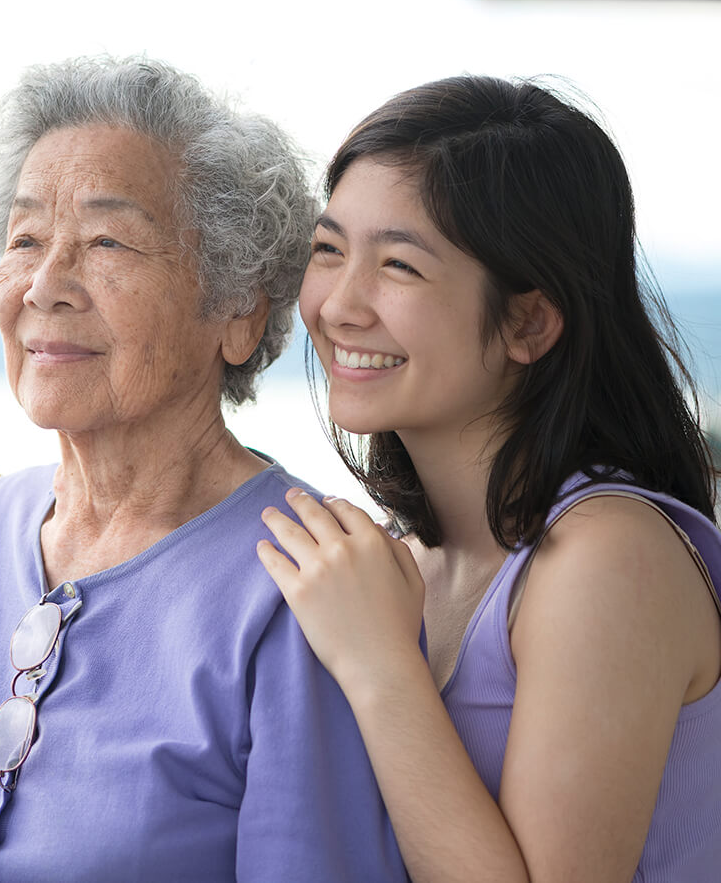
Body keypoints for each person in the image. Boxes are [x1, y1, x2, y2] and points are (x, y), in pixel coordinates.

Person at [0, 56, 407, 882]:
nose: (46, 284)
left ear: (238, 310)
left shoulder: (308, 579)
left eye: (107, 241)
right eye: (26, 238)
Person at [257, 75, 721, 882]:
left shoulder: (607, 557)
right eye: (328, 250)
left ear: (528, 322)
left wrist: (379, 666)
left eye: (399, 265)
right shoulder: (413, 563)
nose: (338, 305)